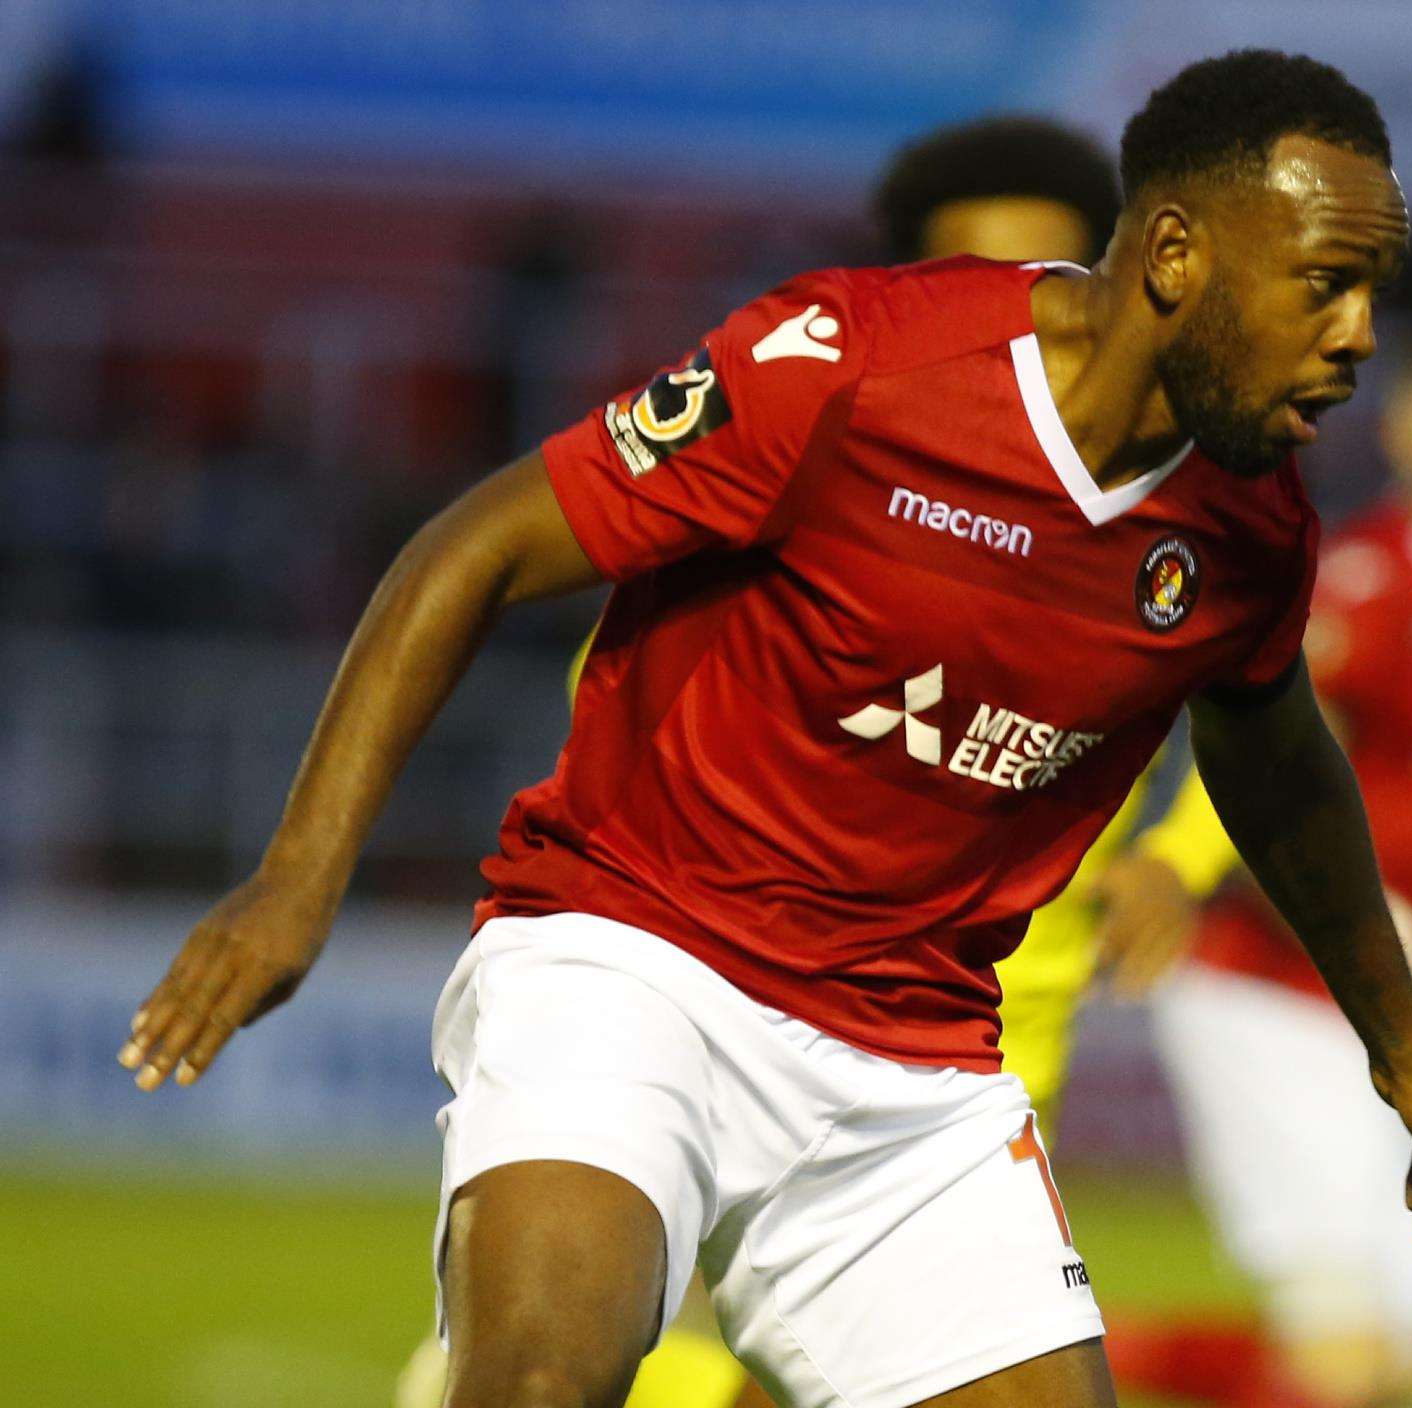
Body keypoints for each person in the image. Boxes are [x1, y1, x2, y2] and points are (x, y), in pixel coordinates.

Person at [119, 50, 1412, 1408]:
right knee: (542, 1380)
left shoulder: (1251, 528)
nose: (1360, 338)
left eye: (1372, 294)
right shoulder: (854, 363)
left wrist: (1403, 1058)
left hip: (911, 1068)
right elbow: (473, 547)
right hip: (636, 964)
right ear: (1173, 257)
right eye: (1325, 286)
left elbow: (1280, 766)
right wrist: (298, 879)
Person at [394, 111, 1127, 1408]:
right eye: (975, 273)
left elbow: (1245, 735)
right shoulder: (816, 430)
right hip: (693, 985)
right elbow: (543, 602)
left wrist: (1181, 866)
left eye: (1054, 279)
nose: (1018, 311)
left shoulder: (1169, 541)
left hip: (957, 1040)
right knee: (588, 1361)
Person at [1104, 324, 1412, 1408]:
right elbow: (1267, 805)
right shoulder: (1366, 585)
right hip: (1276, 999)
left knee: (1394, 1369)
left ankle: (1085, 1352)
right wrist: (1408, 951)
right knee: (1344, 1363)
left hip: (1406, 1021)